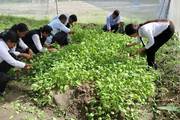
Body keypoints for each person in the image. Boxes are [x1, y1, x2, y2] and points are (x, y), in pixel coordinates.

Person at [0, 31, 31, 96]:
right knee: (4, 78)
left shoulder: (3, 44)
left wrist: (21, 54)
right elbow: (12, 61)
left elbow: (9, 54)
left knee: (13, 55)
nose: (13, 46)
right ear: (9, 41)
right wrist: (25, 65)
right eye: (14, 44)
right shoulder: (1, 47)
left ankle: (3, 73)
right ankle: (1, 92)